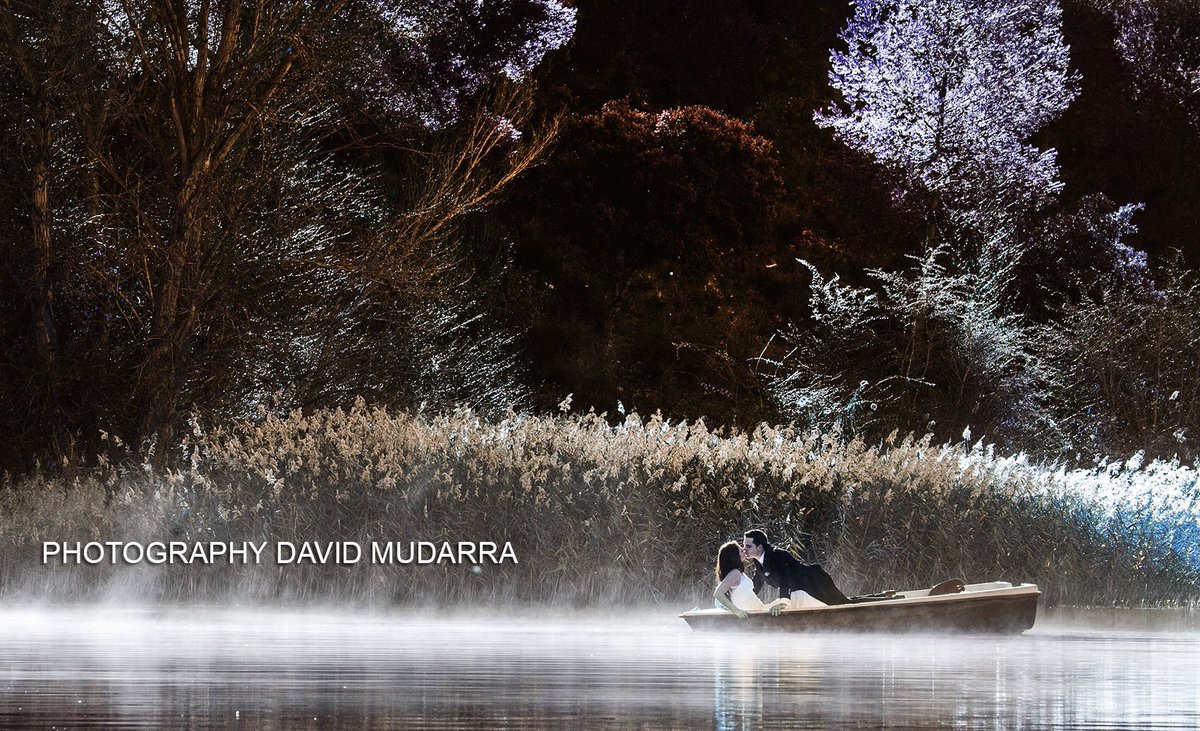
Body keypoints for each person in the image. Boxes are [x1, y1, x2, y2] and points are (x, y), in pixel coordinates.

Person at [742, 528, 850, 615]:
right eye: (743, 545)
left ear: (759, 547)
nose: (744, 549)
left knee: (842, 606)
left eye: (748, 546)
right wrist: (744, 600)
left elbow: (785, 579)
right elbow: (757, 582)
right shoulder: (758, 560)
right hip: (800, 592)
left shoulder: (778, 556)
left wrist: (783, 601)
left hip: (817, 583)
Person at [712, 540, 790, 617]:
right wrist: (736, 611)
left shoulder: (738, 573)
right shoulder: (735, 573)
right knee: (791, 600)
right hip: (753, 613)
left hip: (759, 609)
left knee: (789, 599)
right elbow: (718, 593)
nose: (744, 550)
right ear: (734, 556)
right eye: (741, 550)